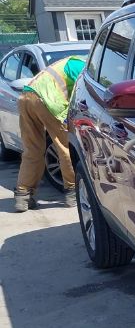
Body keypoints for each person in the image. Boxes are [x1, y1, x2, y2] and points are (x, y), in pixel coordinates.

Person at [14, 55, 85, 213]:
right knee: (64, 146)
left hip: (25, 98)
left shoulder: (63, 63)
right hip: (47, 100)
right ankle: (72, 191)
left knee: (32, 150)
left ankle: (23, 195)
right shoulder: (79, 64)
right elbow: (83, 90)